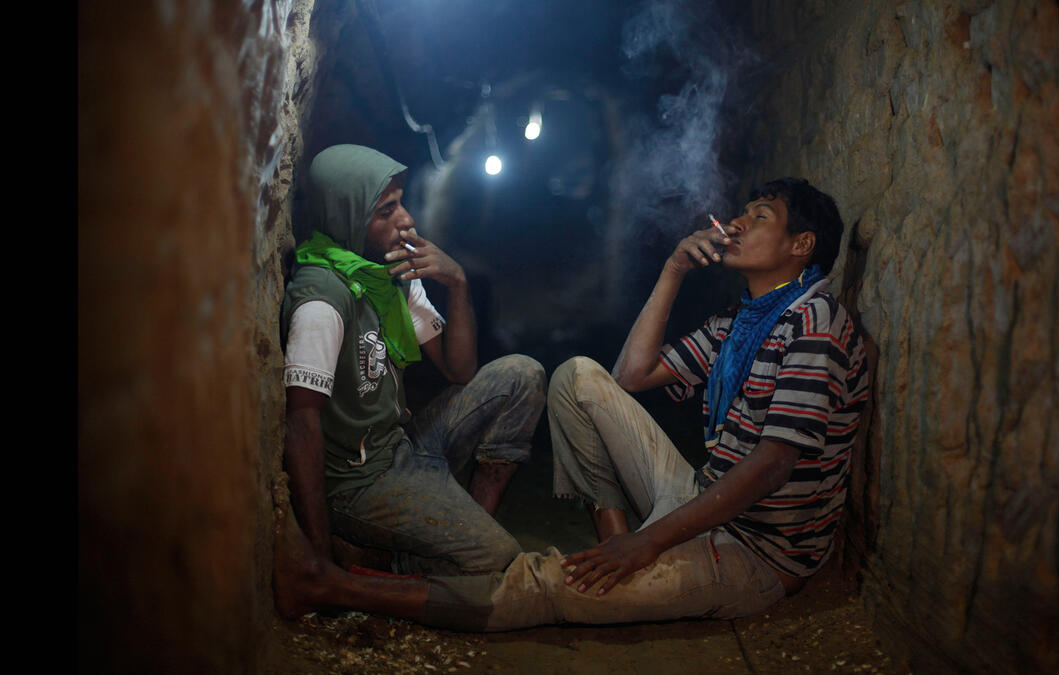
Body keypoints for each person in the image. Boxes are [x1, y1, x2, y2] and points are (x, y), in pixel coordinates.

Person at [275, 177, 868, 630]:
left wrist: (650, 543)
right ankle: (613, 545)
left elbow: (773, 466)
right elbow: (627, 377)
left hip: (757, 551)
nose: (735, 223)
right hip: (706, 498)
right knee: (577, 377)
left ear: (801, 245)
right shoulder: (742, 322)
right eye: (740, 211)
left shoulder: (814, 324)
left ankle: (331, 588)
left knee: (546, 586)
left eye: (757, 217)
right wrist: (674, 267)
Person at [280, 144, 545, 582]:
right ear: (348, 217)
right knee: (497, 559)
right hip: (358, 484)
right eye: (386, 210)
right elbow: (302, 423)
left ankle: (467, 527)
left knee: (522, 374)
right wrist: (318, 549)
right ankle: (379, 557)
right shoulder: (323, 301)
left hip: (401, 448)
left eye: (400, 203)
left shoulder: (389, 274)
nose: (406, 219)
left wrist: (456, 282)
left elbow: (460, 372)